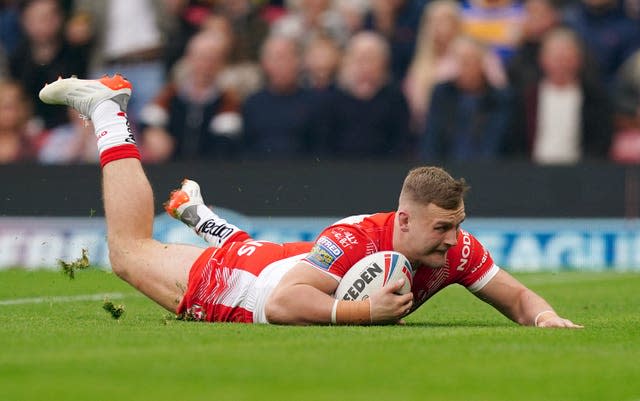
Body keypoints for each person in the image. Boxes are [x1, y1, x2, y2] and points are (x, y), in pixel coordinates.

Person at [38, 74, 582, 328]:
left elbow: (516, 297)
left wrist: (546, 318)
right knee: (129, 252)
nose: (454, 239)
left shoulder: (451, 248)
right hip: (239, 287)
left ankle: (197, 215)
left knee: (270, 251)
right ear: (405, 220)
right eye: (442, 228)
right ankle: (110, 111)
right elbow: (280, 305)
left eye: (457, 225)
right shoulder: (351, 239)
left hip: (273, 259)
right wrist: (364, 312)